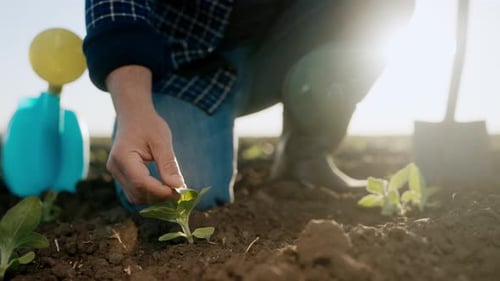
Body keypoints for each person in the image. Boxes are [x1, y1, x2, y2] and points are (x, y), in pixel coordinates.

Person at [83, 0, 415, 211]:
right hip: (181, 66)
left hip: (276, 51)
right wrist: (134, 108)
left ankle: (305, 152)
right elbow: (117, 5)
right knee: (177, 199)